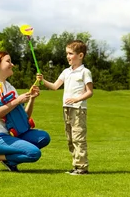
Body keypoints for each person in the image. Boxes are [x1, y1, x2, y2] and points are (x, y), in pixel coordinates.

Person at [0, 51, 51, 172]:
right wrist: (17, 101)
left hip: (9, 134)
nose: (12, 64)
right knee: (34, 153)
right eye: (8, 61)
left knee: (44, 138)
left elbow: (24, 118)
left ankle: (8, 160)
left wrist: (31, 100)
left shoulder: (10, 87)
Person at [37, 40, 93, 175]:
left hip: (78, 109)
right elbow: (55, 86)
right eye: (66, 53)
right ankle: (75, 166)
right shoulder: (66, 72)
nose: (67, 56)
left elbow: (89, 92)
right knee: (70, 138)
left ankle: (82, 167)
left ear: (80, 56)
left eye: (70, 53)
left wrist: (76, 99)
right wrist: (42, 80)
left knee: (78, 138)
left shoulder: (85, 72)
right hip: (66, 109)